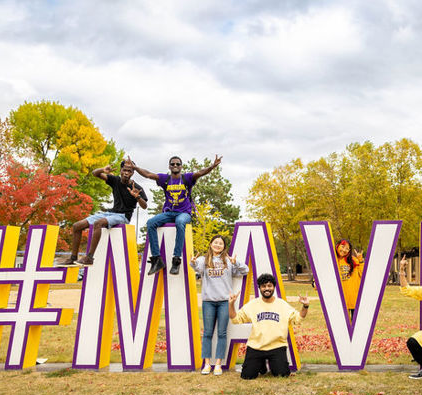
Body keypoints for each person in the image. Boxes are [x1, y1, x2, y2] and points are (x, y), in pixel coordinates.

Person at [129, 155, 222, 276]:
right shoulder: (165, 179)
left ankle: (176, 259)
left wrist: (213, 166)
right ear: (169, 166)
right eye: (172, 164)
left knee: (180, 222)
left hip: (184, 213)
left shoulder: (187, 178)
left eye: (178, 164)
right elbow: (148, 174)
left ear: (181, 166)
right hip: (169, 212)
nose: (175, 166)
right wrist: (135, 168)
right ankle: (157, 259)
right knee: (151, 223)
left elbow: (200, 173)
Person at [61, 160, 147, 266]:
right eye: (124, 170)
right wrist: (103, 170)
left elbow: (144, 206)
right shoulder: (115, 180)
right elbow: (95, 173)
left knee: (98, 223)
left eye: (129, 171)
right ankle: (73, 258)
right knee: (76, 226)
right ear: (120, 171)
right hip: (111, 213)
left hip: (124, 216)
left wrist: (137, 196)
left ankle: (89, 258)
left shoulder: (137, 187)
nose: (126, 173)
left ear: (132, 173)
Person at [229, 273, 310, 379]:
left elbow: (298, 318)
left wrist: (305, 306)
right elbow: (235, 319)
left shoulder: (282, 305)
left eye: (269, 286)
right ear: (259, 288)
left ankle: (270, 363)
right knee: (247, 376)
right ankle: (261, 364)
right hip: (256, 347)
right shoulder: (252, 305)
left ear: (273, 287)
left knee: (282, 375)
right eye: (263, 286)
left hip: (276, 346)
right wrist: (231, 304)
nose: (267, 288)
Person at [194, 235, 248, 376]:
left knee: (222, 333)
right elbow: (196, 267)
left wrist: (236, 263)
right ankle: (206, 364)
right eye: (216, 242)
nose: (218, 245)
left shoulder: (228, 262)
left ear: (224, 247)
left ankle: (217, 364)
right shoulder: (203, 260)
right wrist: (193, 262)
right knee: (207, 333)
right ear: (211, 244)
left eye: (221, 243)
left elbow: (245, 270)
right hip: (208, 301)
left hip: (225, 301)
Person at [335, 238, 364, 321]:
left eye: (347, 249)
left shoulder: (353, 260)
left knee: (357, 327)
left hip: (355, 299)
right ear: (337, 246)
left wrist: (361, 260)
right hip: (341, 301)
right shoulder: (333, 261)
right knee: (343, 328)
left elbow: (363, 275)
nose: (344, 250)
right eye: (343, 246)